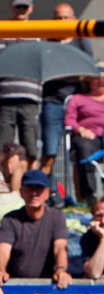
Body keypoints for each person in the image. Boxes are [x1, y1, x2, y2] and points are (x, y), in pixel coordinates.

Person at [40, 3, 94, 200]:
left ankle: (80, 199)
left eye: (66, 17)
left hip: (78, 104)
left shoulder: (81, 41)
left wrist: (65, 75)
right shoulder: (48, 43)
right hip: (52, 102)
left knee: (77, 153)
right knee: (50, 152)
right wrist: (72, 74)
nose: (62, 22)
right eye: (58, 18)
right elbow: (46, 73)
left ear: (73, 19)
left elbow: (88, 71)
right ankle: (49, 197)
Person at [0, 170, 72, 289]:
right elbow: (3, 248)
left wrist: (61, 270)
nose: (34, 193)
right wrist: (0, 270)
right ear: (22, 192)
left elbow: (60, 247)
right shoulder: (10, 219)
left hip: (49, 285)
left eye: (39, 189)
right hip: (16, 286)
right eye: (29, 189)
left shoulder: (56, 217)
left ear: (47, 193)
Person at [0, 1, 41, 170]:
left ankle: (31, 183)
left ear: (31, 8)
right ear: (11, 7)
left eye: (24, 7)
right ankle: (5, 186)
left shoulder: (38, 32)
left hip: (30, 97)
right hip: (5, 97)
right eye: (18, 6)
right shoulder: (2, 30)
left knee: (31, 147)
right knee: (3, 147)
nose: (21, 10)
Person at [63, 62, 104, 206]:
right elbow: (69, 120)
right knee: (84, 148)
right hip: (88, 137)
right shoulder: (78, 99)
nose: (100, 81)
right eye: (97, 78)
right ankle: (89, 195)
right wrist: (81, 130)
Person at [80, 196, 104, 279]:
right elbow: (94, 273)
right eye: (99, 216)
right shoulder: (88, 238)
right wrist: (103, 239)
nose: (103, 221)